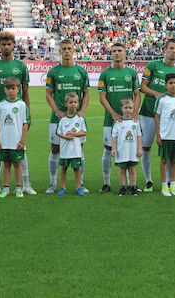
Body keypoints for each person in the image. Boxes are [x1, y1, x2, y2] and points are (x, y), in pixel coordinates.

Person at [0, 32, 34, 194]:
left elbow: (26, 93)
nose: (6, 47)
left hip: (18, 115)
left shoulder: (21, 67)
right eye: (3, 44)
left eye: (9, 44)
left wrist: (28, 114)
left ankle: (26, 184)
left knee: (21, 148)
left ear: (13, 45)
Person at [140, 39, 175, 192]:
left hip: (167, 118)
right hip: (147, 112)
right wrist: (157, 94)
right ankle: (148, 181)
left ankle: (168, 184)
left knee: (167, 150)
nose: (174, 51)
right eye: (171, 48)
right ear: (164, 50)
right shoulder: (153, 65)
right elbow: (143, 87)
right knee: (146, 147)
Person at [46, 40, 89, 194]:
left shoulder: (81, 71)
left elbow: (86, 93)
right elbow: (48, 94)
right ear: (60, 51)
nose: (66, 51)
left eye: (69, 48)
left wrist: (82, 110)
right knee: (55, 149)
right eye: (64, 49)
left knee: (79, 149)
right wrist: (56, 110)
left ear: (74, 50)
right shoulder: (53, 72)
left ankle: (80, 183)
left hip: (76, 118)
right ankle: (53, 183)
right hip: (57, 118)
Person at [98, 43, 140, 193]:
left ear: (125, 54)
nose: (117, 53)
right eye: (114, 51)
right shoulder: (105, 74)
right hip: (111, 120)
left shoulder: (132, 73)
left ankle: (131, 184)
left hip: (130, 120)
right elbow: (102, 97)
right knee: (108, 149)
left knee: (131, 147)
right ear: (111, 54)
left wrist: (135, 112)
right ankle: (106, 182)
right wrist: (113, 113)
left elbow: (137, 94)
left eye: (119, 51)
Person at [0, 77, 30, 198]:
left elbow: (25, 124)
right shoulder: (1, 105)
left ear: (18, 89)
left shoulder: (21, 105)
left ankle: (19, 188)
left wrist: (23, 141)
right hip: (4, 141)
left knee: (18, 164)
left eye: (13, 88)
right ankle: (6, 189)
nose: (10, 91)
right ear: (4, 89)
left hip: (16, 141)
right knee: (6, 164)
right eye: (8, 88)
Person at [55, 93, 87, 196]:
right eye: (70, 102)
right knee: (63, 168)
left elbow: (84, 132)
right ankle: (62, 188)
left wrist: (74, 134)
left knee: (76, 169)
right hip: (64, 149)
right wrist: (66, 137)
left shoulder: (80, 119)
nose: (73, 104)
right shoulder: (63, 120)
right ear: (66, 104)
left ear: (78, 104)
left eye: (75, 102)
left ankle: (79, 188)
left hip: (76, 150)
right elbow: (58, 132)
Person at [111, 98, 143, 196]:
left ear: (133, 109)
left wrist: (140, 148)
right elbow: (114, 137)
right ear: (122, 109)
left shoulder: (136, 122)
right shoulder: (118, 123)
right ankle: (122, 188)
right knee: (122, 170)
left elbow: (139, 136)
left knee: (132, 169)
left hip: (132, 151)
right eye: (126, 108)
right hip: (122, 151)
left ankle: (133, 187)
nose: (128, 110)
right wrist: (113, 148)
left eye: (130, 108)